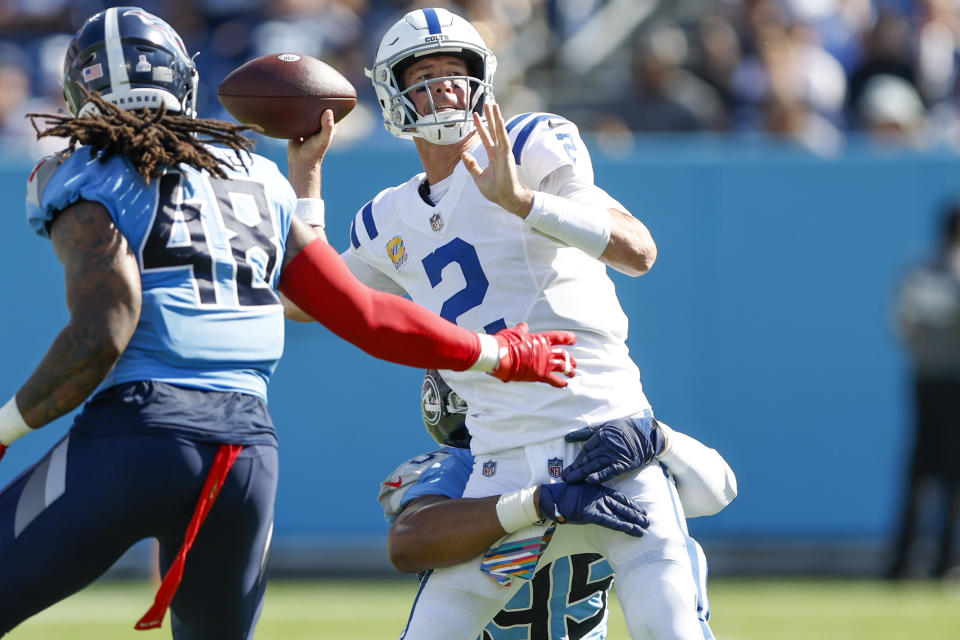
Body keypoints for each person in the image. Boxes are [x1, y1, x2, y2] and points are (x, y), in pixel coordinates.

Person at [0, 7, 577, 639]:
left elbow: (106, 327)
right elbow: (363, 313)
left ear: (82, 93)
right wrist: (500, 354)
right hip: (245, 455)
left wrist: (6, 427)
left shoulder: (77, 171)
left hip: (135, 434)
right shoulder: (254, 177)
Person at [301, 7, 721, 638]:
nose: (444, 86)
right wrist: (306, 178)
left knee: (673, 630)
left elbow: (638, 250)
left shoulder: (529, 143)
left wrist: (524, 203)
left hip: (607, 444)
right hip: (501, 471)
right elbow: (312, 297)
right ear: (393, 91)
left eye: (455, 71)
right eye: (425, 73)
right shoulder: (384, 219)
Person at [378, 370, 738, 640]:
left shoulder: (604, 448)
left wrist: (661, 439)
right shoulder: (454, 469)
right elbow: (408, 545)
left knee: (675, 557)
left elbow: (718, 492)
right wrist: (535, 503)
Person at [888, 200, 960, 579]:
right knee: (947, 478)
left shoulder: (917, 274)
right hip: (948, 384)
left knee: (919, 476)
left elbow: (903, 327)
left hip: (925, 381)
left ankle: (903, 564)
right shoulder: (941, 274)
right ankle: (944, 562)